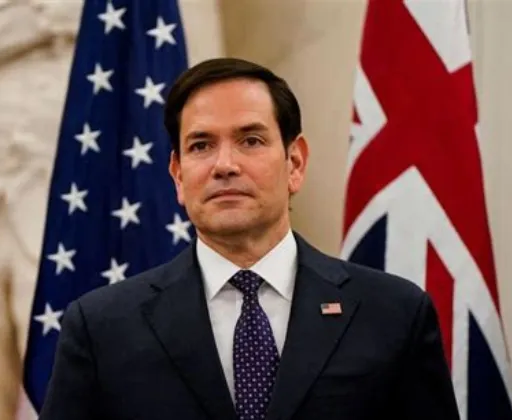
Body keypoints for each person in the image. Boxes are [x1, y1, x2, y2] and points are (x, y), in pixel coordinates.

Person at [39, 57, 460, 420]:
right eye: (201, 145)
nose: (224, 165)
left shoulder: (393, 315)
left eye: (250, 140)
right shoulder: (102, 328)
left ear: (295, 163)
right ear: (178, 176)